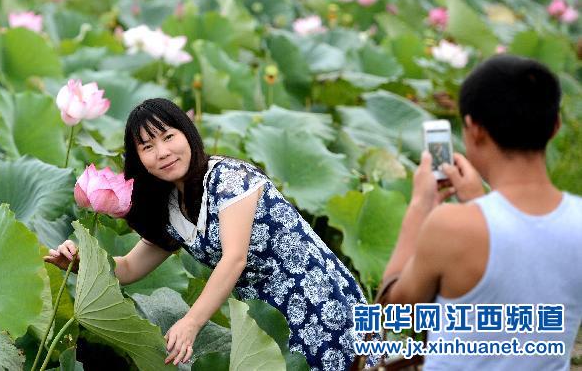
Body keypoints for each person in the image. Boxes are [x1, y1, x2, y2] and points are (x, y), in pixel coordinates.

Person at [46, 98, 374, 370]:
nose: (162, 152)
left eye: (168, 137)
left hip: (317, 298)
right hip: (268, 316)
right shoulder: (169, 204)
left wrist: (191, 323)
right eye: (148, 146)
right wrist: (80, 262)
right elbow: (130, 269)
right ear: (139, 160)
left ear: (188, 135)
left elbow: (234, 258)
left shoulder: (229, 179)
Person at [382, 55, 582, 370]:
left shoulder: (451, 225)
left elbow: (395, 311)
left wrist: (420, 205)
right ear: (555, 127)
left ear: (474, 130)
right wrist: (478, 200)